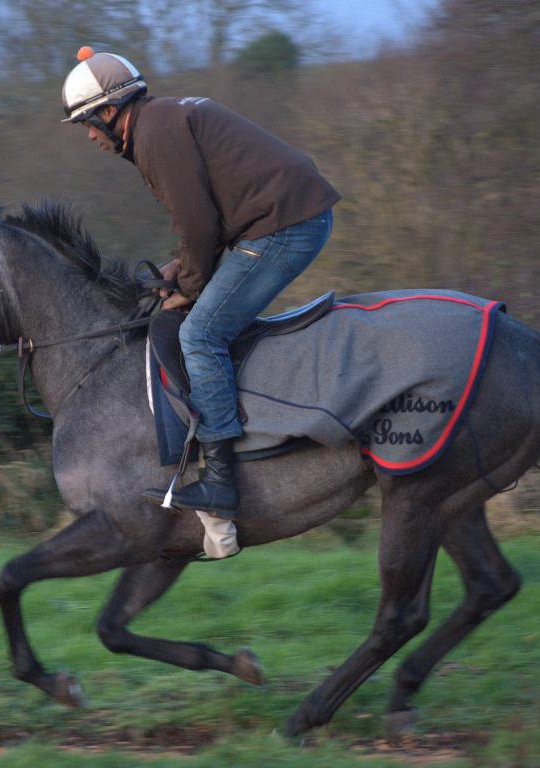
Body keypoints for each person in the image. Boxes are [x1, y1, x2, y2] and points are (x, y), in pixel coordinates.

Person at [62, 46, 339, 518]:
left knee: (200, 334)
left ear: (110, 111)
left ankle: (220, 481)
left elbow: (198, 224)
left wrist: (188, 287)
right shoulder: (158, 122)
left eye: (88, 122)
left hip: (286, 228)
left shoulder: (154, 137)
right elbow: (204, 218)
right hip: (284, 218)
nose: (89, 135)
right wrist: (178, 270)